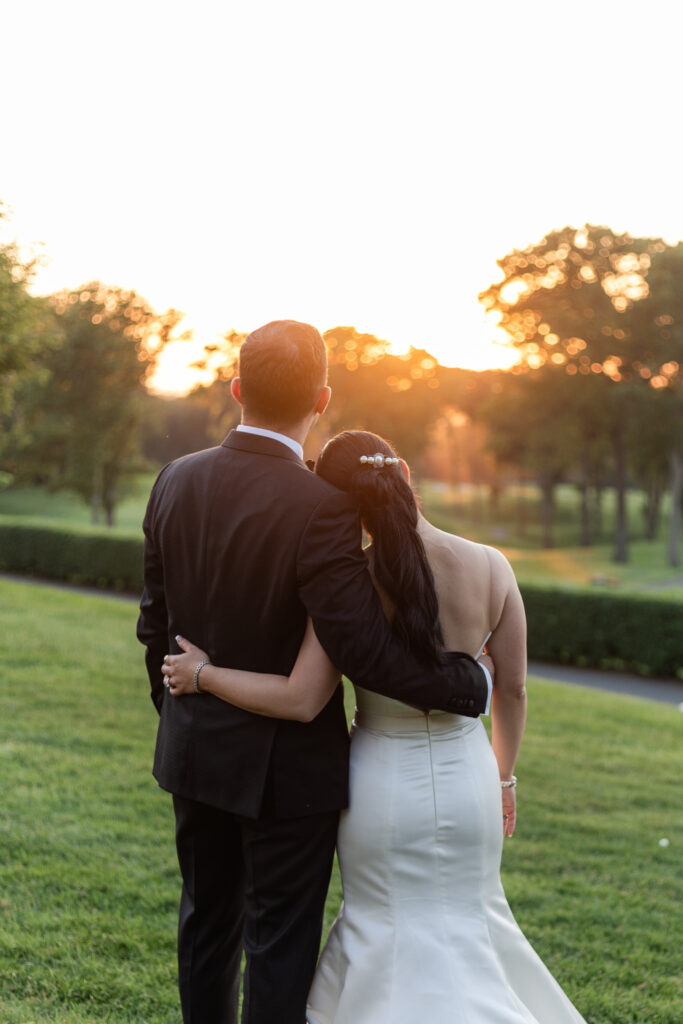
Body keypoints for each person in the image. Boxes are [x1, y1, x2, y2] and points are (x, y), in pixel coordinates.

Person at [162, 429, 588, 1024]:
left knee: (382, 928)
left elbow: (299, 696)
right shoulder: (491, 564)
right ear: (405, 473)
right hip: (471, 783)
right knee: (473, 922)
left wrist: (204, 673)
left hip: (381, 783)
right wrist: (504, 778)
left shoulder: (350, 584)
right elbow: (511, 688)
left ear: (337, 501)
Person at [137, 322, 493, 1024]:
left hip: (194, 754)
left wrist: (186, 713)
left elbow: (155, 622)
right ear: (321, 400)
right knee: (279, 945)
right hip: (287, 776)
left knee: (205, 928)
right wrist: (465, 686)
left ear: (237, 389)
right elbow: (360, 647)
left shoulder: (172, 478)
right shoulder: (320, 506)